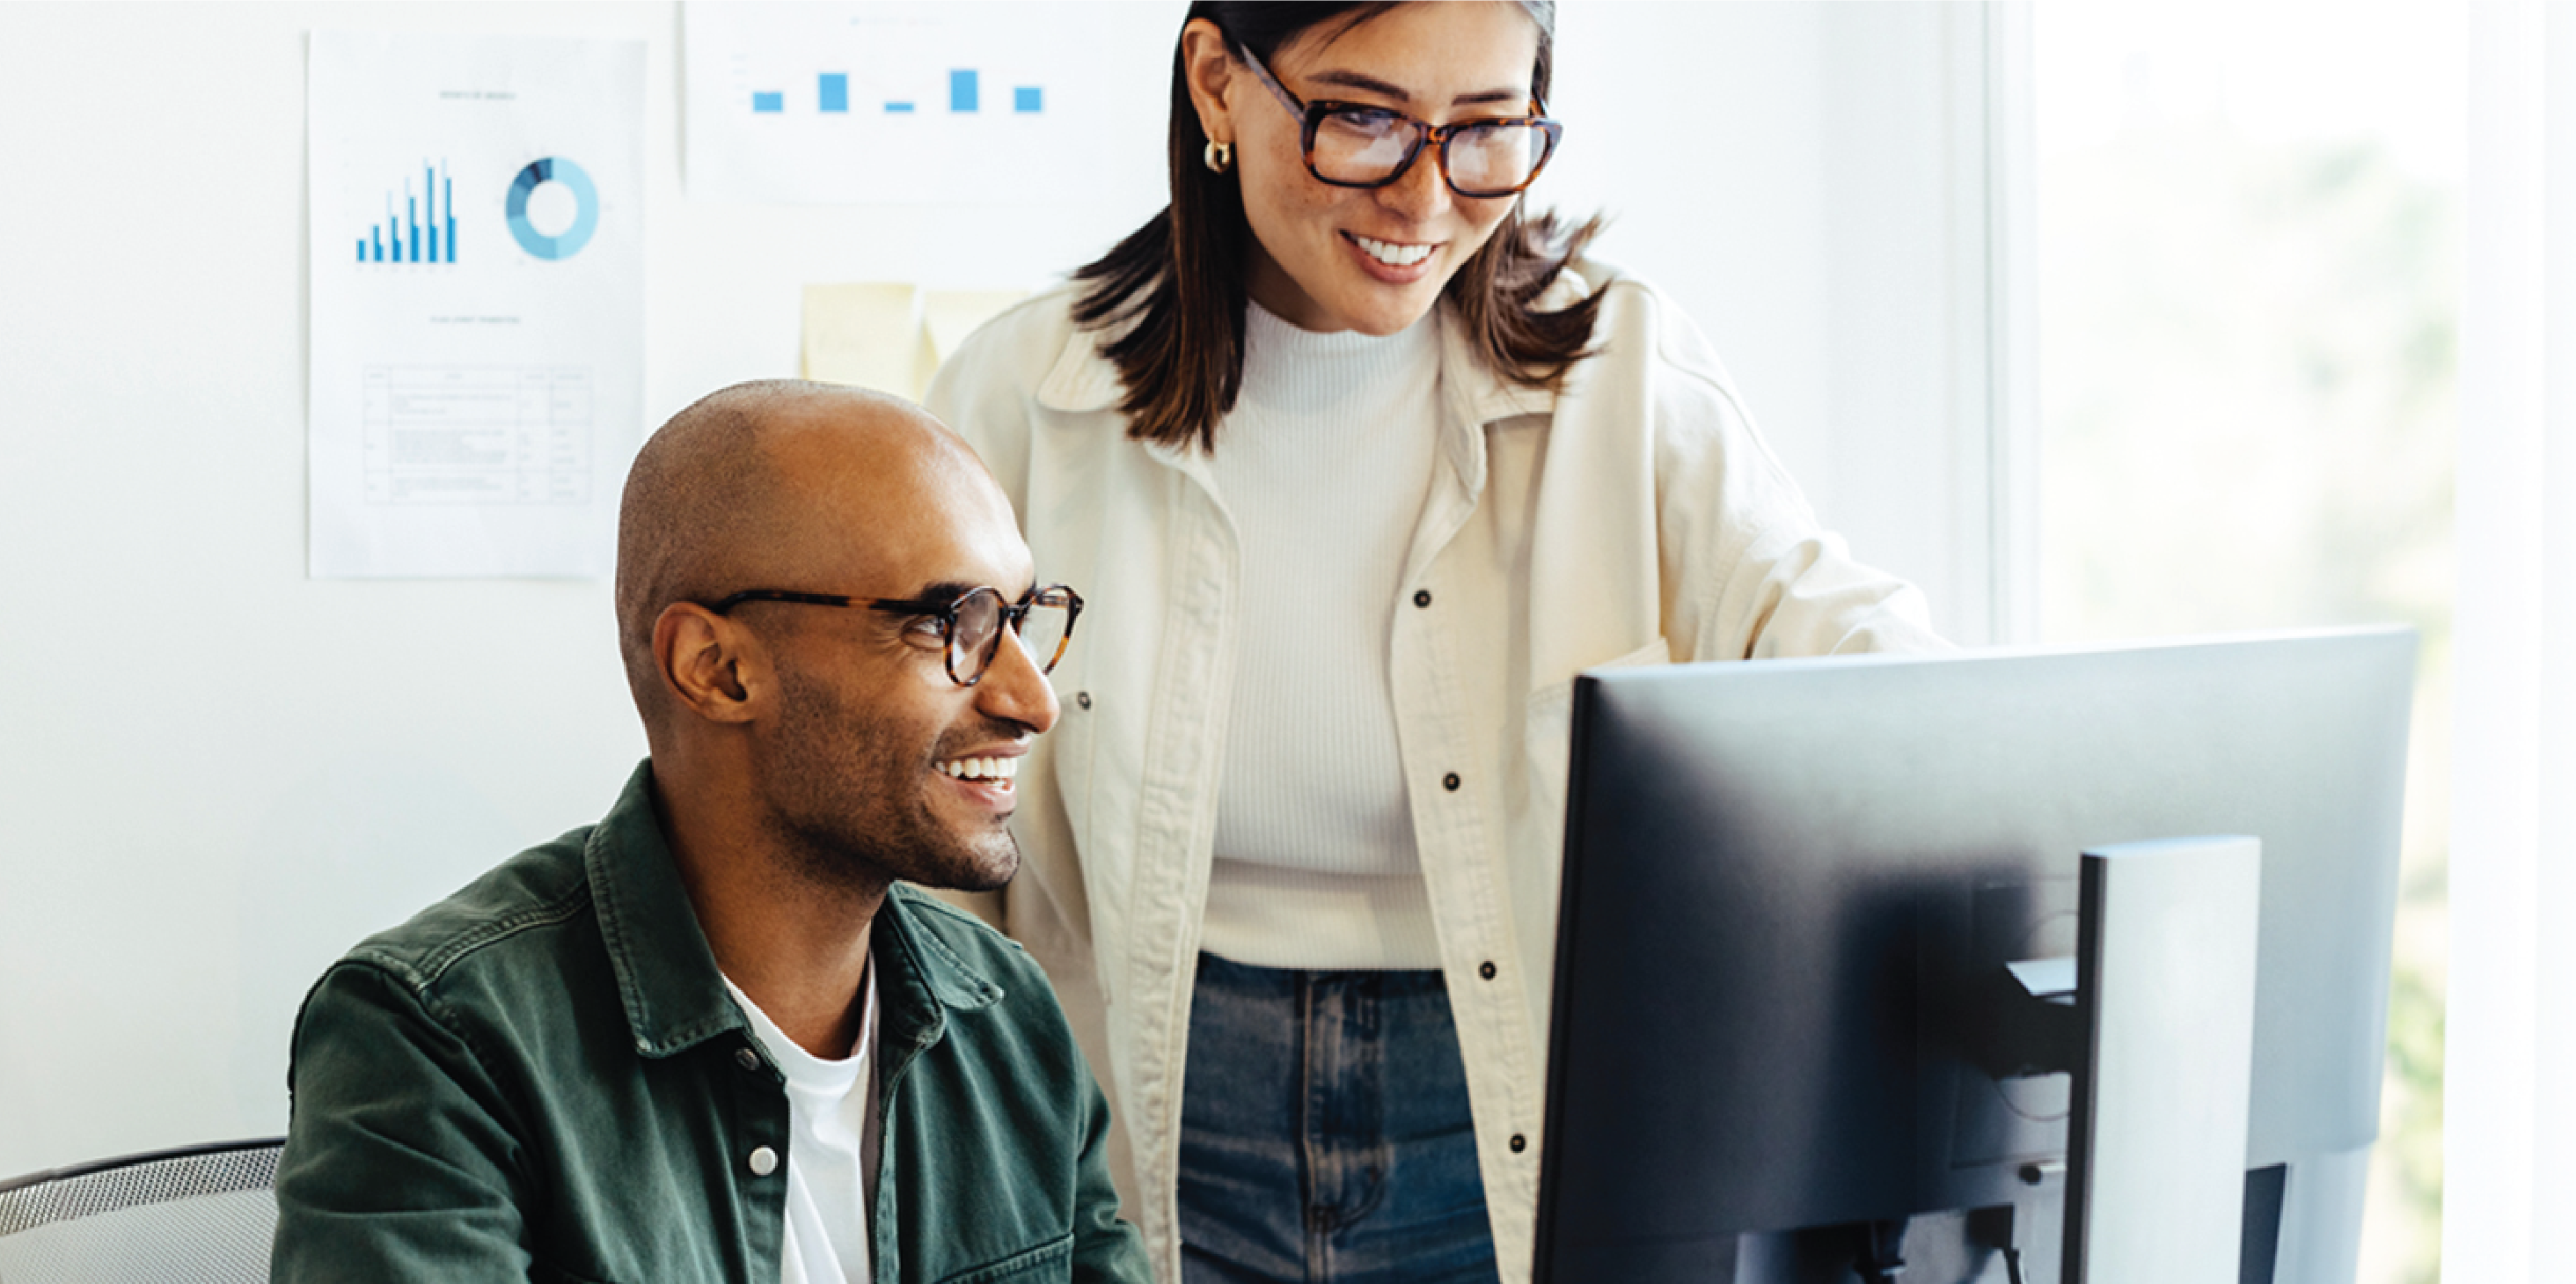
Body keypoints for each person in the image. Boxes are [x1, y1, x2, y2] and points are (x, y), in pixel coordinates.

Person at [919, 1, 1950, 1280]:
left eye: (1485, 132)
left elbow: (1854, 654)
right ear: (1215, 83)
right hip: (1141, 1097)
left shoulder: (1621, 372)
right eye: (1361, 118)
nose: (1423, 197)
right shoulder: (1022, 395)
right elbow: (908, 800)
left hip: (1499, 1094)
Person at [271, 380, 1150, 1284]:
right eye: (945, 625)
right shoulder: (439, 1040)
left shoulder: (1006, 1013)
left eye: (1017, 619)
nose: (1031, 699)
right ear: (716, 669)